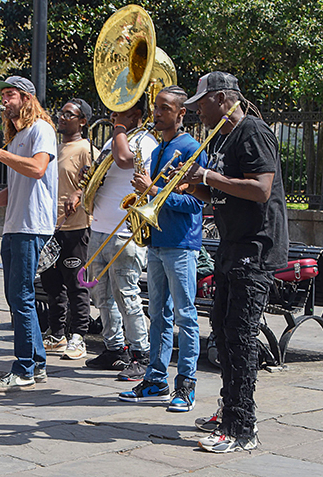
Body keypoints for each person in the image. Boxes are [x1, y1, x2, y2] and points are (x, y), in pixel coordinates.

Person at [182, 72, 288, 453]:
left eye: (202, 104)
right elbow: (219, 191)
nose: (197, 112)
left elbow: (261, 188)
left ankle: (243, 428)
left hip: (255, 249)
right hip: (230, 246)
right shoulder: (222, 137)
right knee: (224, 334)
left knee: (241, 338)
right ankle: (229, 408)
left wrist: (208, 174)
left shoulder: (253, 132)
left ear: (223, 98)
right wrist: (192, 184)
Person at [118, 86, 206, 411]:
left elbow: (195, 203)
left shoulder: (192, 149)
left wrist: (152, 189)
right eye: (156, 107)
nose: (157, 113)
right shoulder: (157, 151)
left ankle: (186, 386)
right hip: (156, 242)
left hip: (181, 244)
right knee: (157, 314)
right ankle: (155, 379)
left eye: (165, 109)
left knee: (185, 314)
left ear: (181, 113)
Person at [0, 76, 57, 392]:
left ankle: (23, 368)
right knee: (16, 297)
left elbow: (37, 169)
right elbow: (17, 187)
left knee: (21, 297)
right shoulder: (19, 135)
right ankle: (36, 362)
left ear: (27, 99)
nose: (4, 100)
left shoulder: (41, 130)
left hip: (31, 225)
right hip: (14, 225)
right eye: (3, 95)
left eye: (10, 95)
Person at [70, 95, 155, 380]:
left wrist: (118, 129)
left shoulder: (144, 141)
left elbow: (124, 160)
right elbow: (104, 170)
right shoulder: (112, 141)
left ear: (138, 114)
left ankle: (141, 353)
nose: (114, 114)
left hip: (124, 231)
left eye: (123, 110)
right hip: (101, 227)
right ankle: (114, 347)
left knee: (126, 296)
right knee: (102, 295)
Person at [39, 98, 96, 360]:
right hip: (51, 227)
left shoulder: (86, 149)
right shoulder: (53, 147)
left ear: (82, 121)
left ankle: (79, 336)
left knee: (75, 283)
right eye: (61, 113)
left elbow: (94, 182)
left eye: (69, 114)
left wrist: (79, 193)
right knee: (52, 284)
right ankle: (56, 334)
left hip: (75, 226)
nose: (62, 117)